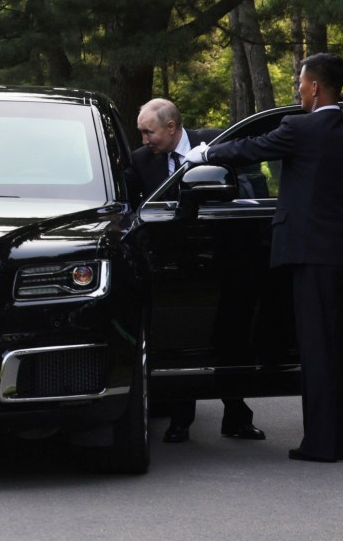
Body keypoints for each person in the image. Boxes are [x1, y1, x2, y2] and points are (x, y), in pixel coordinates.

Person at [186, 52, 343, 462]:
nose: (298, 90)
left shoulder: (301, 127)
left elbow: (251, 148)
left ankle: (322, 444)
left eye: (300, 83)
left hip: (311, 253)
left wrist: (205, 155)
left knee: (317, 350)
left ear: (314, 87)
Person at [125, 98, 265, 443]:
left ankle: (236, 415)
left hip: (230, 256)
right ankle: (180, 419)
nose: (144, 139)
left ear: (171, 127)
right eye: (142, 132)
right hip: (174, 263)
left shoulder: (216, 142)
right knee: (179, 334)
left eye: (149, 131)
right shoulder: (140, 161)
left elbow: (253, 184)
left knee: (233, 332)